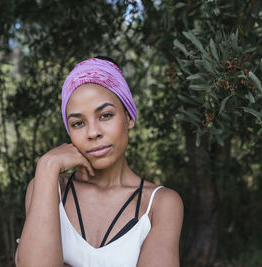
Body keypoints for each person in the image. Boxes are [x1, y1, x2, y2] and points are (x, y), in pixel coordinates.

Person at [15, 56, 183, 267]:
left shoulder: (160, 204)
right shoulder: (48, 187)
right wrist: (47, 165)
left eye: (105, 115)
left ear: (129, 116)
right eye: (78, 123)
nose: (93, 133)